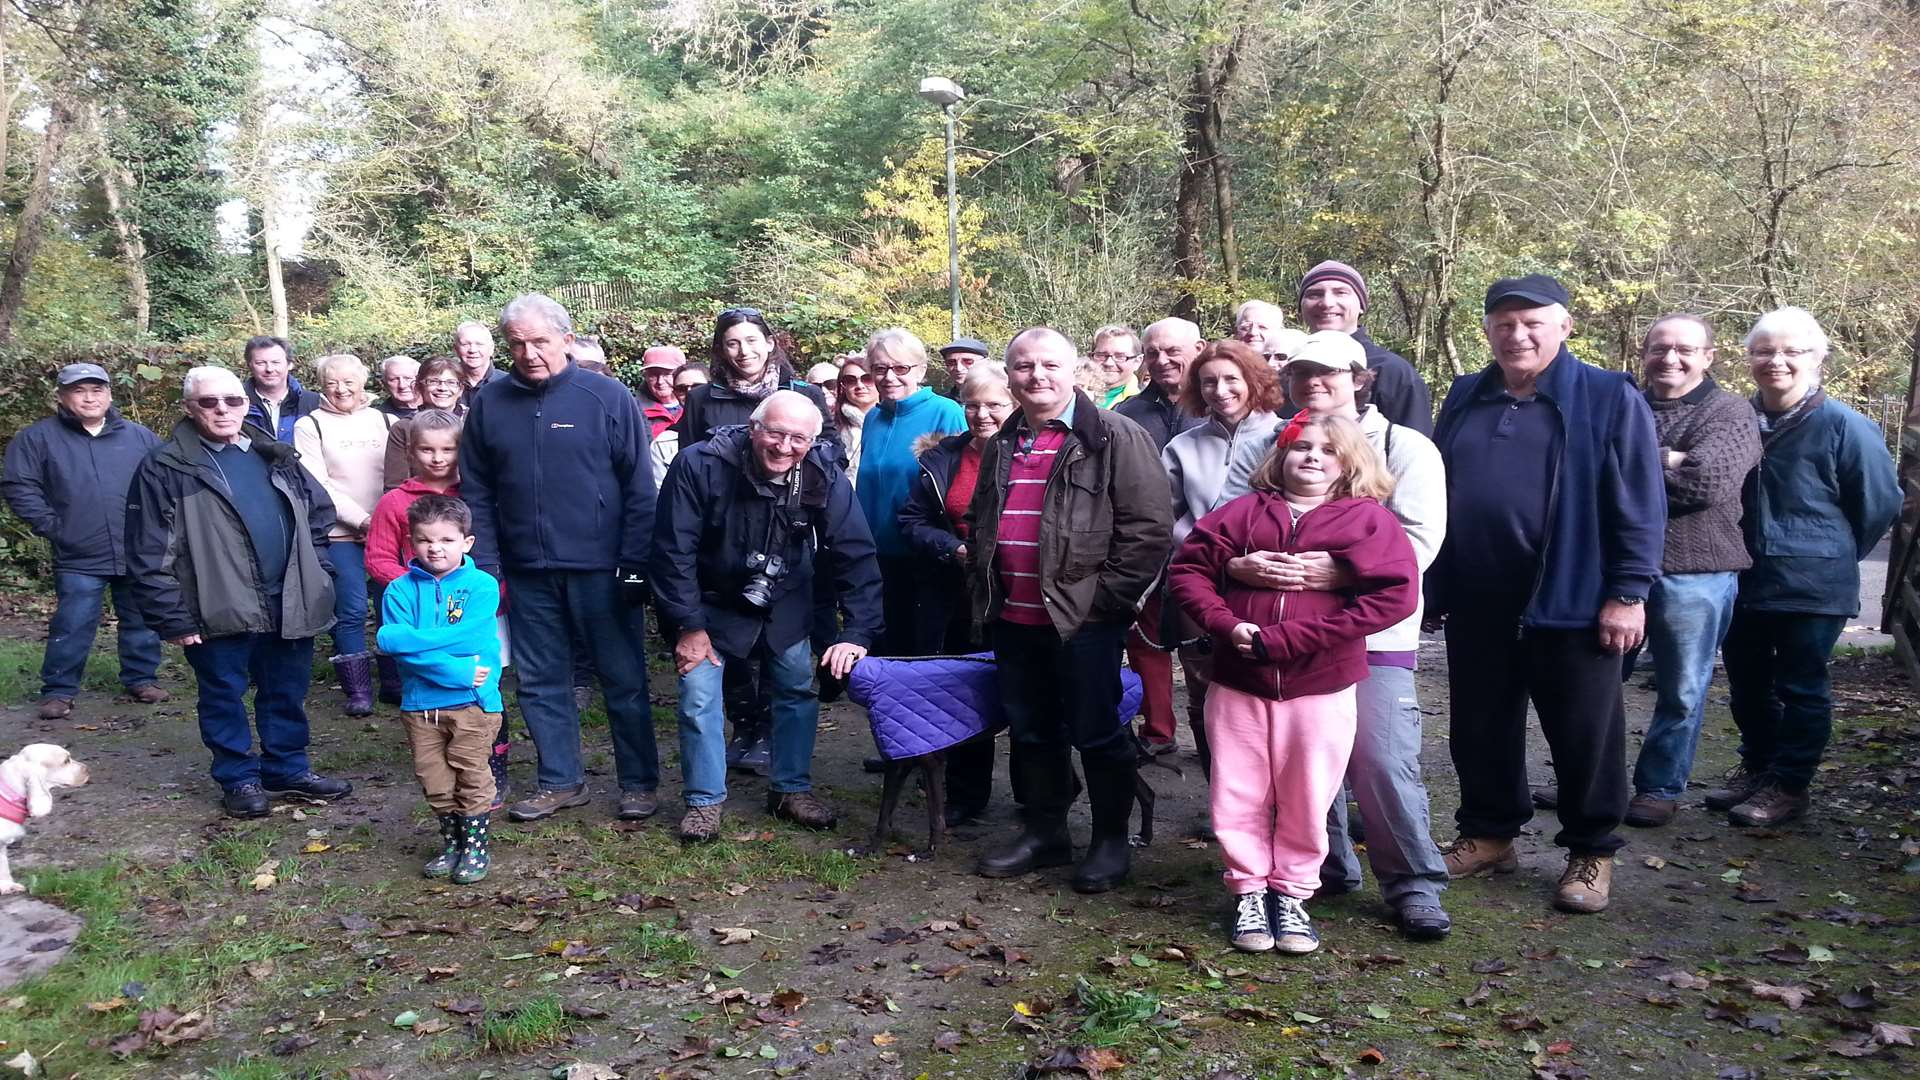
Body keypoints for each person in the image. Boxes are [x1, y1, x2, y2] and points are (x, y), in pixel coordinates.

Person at [1426, 274, 1664, 915]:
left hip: (1575, 597)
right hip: (1479, 598)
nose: (1517, 333)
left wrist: (1628, 591)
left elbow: (1640, 500)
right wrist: (1436, 584)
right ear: (1487, 331)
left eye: (1533, 321)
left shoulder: (1607, 395)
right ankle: (1489, 834)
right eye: (1503, 322)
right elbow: (1436, 492)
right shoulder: (1467, 393)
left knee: (1586, 732)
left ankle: (1591, 851)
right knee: (1480, 725)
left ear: (1565, 326)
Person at [1218, 330, 1452, 940]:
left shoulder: (1406, 447)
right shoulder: (1273, 443)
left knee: (1378, 758)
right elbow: (1229, 524)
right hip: (1270, 639)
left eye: (1332, 372)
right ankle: (1325, 870)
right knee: (1298, 763)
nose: (1316, 382)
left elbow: (1419, 543)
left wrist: (1335, 571)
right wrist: (1236, 566)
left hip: (1371, 636)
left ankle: (1413, 885)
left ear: (1360, 376)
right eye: (1302, 373)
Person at [1170, 414, 1418, 954]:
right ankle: (1248, 890)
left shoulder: (1368, 522)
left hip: (1321, 684)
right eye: (1299, 446)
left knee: (1309, 791)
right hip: (1238, 679)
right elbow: (1188, 571)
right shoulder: (1240, 513)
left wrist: (1297, 639)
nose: (1312, 456)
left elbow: (1394, 595)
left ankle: (1293, 893)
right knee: (1238, 787)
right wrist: (1226, 623)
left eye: (1328, 450)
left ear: (1349, 462)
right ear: (1278, 456)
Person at [967, 327, 1172, 893]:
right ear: (1009, 375)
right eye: (1024, 366)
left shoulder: (1114, 435)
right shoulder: (1005, 441)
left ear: (1073, 368)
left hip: (1084, 622)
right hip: (1014, 618)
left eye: (1049, 365)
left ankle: (1109, 840)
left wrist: (1104, 605)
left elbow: (1149, 531)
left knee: (1098, 732)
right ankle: (1045, 832)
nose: (1037, 376)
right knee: (1032, 732)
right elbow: (984, 521)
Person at [460, 293, 661, 824]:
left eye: (540, 341)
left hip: (603, 567)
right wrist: (488, 565)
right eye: (517, 344)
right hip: (527, 569)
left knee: (623, 678)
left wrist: (635, 563)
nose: (528, 353)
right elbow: (476, 491)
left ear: (567, 340)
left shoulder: (608, 397)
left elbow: (639, 488)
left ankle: (639, 782)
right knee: (540, 679)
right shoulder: (490, 402)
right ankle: (559, 780)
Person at [651, 390, 884, 840]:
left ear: (814, 440)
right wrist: (688, 624)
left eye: (798, 438)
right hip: (709, 599)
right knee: (698, 697)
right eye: (775, 433)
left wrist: (857, 630)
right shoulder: (699, 464)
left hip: (786, 598)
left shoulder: (822, 472)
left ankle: (790, 789)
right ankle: (704, 802)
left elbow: (854, 552)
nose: (784, 446)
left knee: (797, 688)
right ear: (752, 428)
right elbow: (671, 551)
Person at [125, 366, 350, 818]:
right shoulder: (167, 466)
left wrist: (319, 570)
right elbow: (148, 550)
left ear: (246, 402)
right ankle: (239, 778)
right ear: (190, 408)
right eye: (209, 402)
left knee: (286, 690)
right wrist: (172, 616)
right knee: (223, 694)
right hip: (215, 604)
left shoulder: (273, 453)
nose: (223, 410)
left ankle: (287, 769)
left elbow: (318, 514)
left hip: (288, 599)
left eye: (232, 400)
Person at [1709, 307, 1899, 828]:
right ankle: (1760, 767)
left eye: (1792, 351)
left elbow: (1879, 503)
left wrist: (1828, 551)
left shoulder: (1846, 426)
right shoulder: (1736, 420)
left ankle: (1790, 785)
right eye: (1764, 351)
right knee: (1747, 683)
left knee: (1801, 686)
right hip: (1742, 575)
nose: (1777, 361)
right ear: (1748, 359)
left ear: (1818, 359)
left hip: (1813, 586)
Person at [1610, 314, 1762, 827]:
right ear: (1644, 351)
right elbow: (1590, 468)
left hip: (1697, 572)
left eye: (1684, 349)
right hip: (1619, 570)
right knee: (1600, 680)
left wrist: (1632, 467)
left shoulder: (1730, 412)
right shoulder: (1622, 400)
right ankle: (1595, 781)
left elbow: (1704, 486)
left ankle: (1659, 787)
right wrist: (1669, 458)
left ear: (1708, 356)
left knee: (1682, 689)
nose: (1670, 358)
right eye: (1659, 347)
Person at [2, 363, 165, 719]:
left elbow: (165, 482)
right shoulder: (37, 438)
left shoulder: (140, 437)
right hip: (78, 552)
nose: (90, 398)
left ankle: (141, 678)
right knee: (73, 623)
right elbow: (19, 486)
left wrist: (157, 529)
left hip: (136, 548)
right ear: (61, 397)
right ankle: (58, 690)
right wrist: (53, 526)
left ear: (109, 394)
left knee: (141, 618)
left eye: (97, 390)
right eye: (79, 391)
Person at [366, 408, 509, 803]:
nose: (438, 457)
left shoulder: (475, 495)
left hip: (474, 610)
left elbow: (496, 547)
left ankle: (490, 766)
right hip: (417, 613)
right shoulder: (395, 502)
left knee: (485, 683)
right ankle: (442, 766)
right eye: (427, 449)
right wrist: (418, 592)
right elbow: (379, 557)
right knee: (431, 676)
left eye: (448, 448)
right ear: (411, 452)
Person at [897, 361, 1018, 822]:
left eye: (994, 405)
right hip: (955, 592)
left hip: (1015, 592)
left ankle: (1041, 796)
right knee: (962, 691)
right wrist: (954, 549)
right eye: (972, 405)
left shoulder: (1034, 453)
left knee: (1021, 692)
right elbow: (913, 521)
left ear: (1015, 405)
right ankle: (966, 794)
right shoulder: (943, 456)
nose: (982, 415)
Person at [1158, 340, 1284, 768]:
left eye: (1232, 379)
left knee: (1265, 690)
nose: (1220, 389)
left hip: (1268, 583)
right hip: (1199, 585)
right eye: (1209, 381)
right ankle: (1222, 799)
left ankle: (1274, 801)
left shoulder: (1287, 437)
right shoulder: (1182, 447)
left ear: (1254, 380)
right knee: (1205, 692)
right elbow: (1163, 514)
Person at [378, 494, 503, 884]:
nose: (435, 548)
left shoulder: (482, 586)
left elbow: (470, 636)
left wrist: (410, 638)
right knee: (433, 778)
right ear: (410, 542)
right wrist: (459, 670)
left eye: (446, 540)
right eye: (424, 540)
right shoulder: (398, 591)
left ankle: (476, 847)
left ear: (466, 542)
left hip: (472, 704)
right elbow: (391, 644)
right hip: (420, 705)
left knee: (471, 773)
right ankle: (452, 844)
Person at [1115, 317, 1206, 754]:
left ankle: (1213, 737)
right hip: (1143, 550)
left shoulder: (1219, 402)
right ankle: (1157, 732)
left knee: (1200, 649)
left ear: (1199, 347)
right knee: (1145, 644)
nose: (1162, 360)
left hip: (1205, 553)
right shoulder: (1126, 414)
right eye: (1152, 353)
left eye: (1172, 351)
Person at [292, 354, 396, 716]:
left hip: (390, 533)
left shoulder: (387, 420)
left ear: (363, 382)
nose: (341, 389)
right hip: (340, 533)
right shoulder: (310, 425)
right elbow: (317, 484)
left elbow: (399, 477)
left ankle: (394, 683)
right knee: (350, 609)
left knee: (393, 606)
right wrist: (363, 521)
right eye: (332, 382)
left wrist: (386, 522)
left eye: (349, 381)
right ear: (321, 385)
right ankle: (358, 690)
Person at [855, 328, 967, 656]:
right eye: (879, 368)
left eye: (900, 368)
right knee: (886, 639)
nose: (889, 376)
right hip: (877, 553)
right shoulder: (874, 416)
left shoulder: (945, 411)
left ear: (919, 369)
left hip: (923, 551)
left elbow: (961, 482)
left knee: (920, 646)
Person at [1296, 261, 1433, 434]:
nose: (1327, 303)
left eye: (1340, 293)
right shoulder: (1286, 367)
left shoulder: (1393, 371)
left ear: (1361, 305)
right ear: (1301, 307)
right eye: (1314, 294)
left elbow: (1416, 449)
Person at [675, 307, 836, 447]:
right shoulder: (700, 399)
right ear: (721, 351)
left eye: (752, 340)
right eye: (732, 344)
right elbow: (687, 462)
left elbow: (833, 452)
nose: (744, 351)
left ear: (769, 343)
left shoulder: (805, 394)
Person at [383, 357, 467, 491]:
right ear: (419, 386)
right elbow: (395, 486)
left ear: (461, 389)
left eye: (451, 382)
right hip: (421, 506)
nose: (442, 388)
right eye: (433, 381)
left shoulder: (474, 421)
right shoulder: (404, 428)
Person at [240, 336, 321, 442]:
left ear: (290, 364)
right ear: (249, 365)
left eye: (276, 362)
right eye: (260, 363)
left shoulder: (314, 403)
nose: (269, 369)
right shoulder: (235, 404)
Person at [835, 354, 879, 483]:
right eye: (850, 380)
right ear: (842, 386)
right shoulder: (832, 427)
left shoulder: (895, 422)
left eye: (867, 378)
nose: (859, 385)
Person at [636, 346, 687, 440]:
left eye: (667, 374)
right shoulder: (635, 411)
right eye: (653, 375)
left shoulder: (697, 405)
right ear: (645, 377)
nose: (660, 381)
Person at [1089, 325, 1143, 409]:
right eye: (1101, 355)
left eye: (1120, 357)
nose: (1109, 363)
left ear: (1137, 362)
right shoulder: (1070, 394)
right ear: (1091, 357)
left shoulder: (1142, 406)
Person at [454, 321, 504, 409]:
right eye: (465, 344)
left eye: (479, 344)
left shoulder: (507, 384)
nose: (472, 350)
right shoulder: (445, 385)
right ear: (456, 349)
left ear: (491, 348)